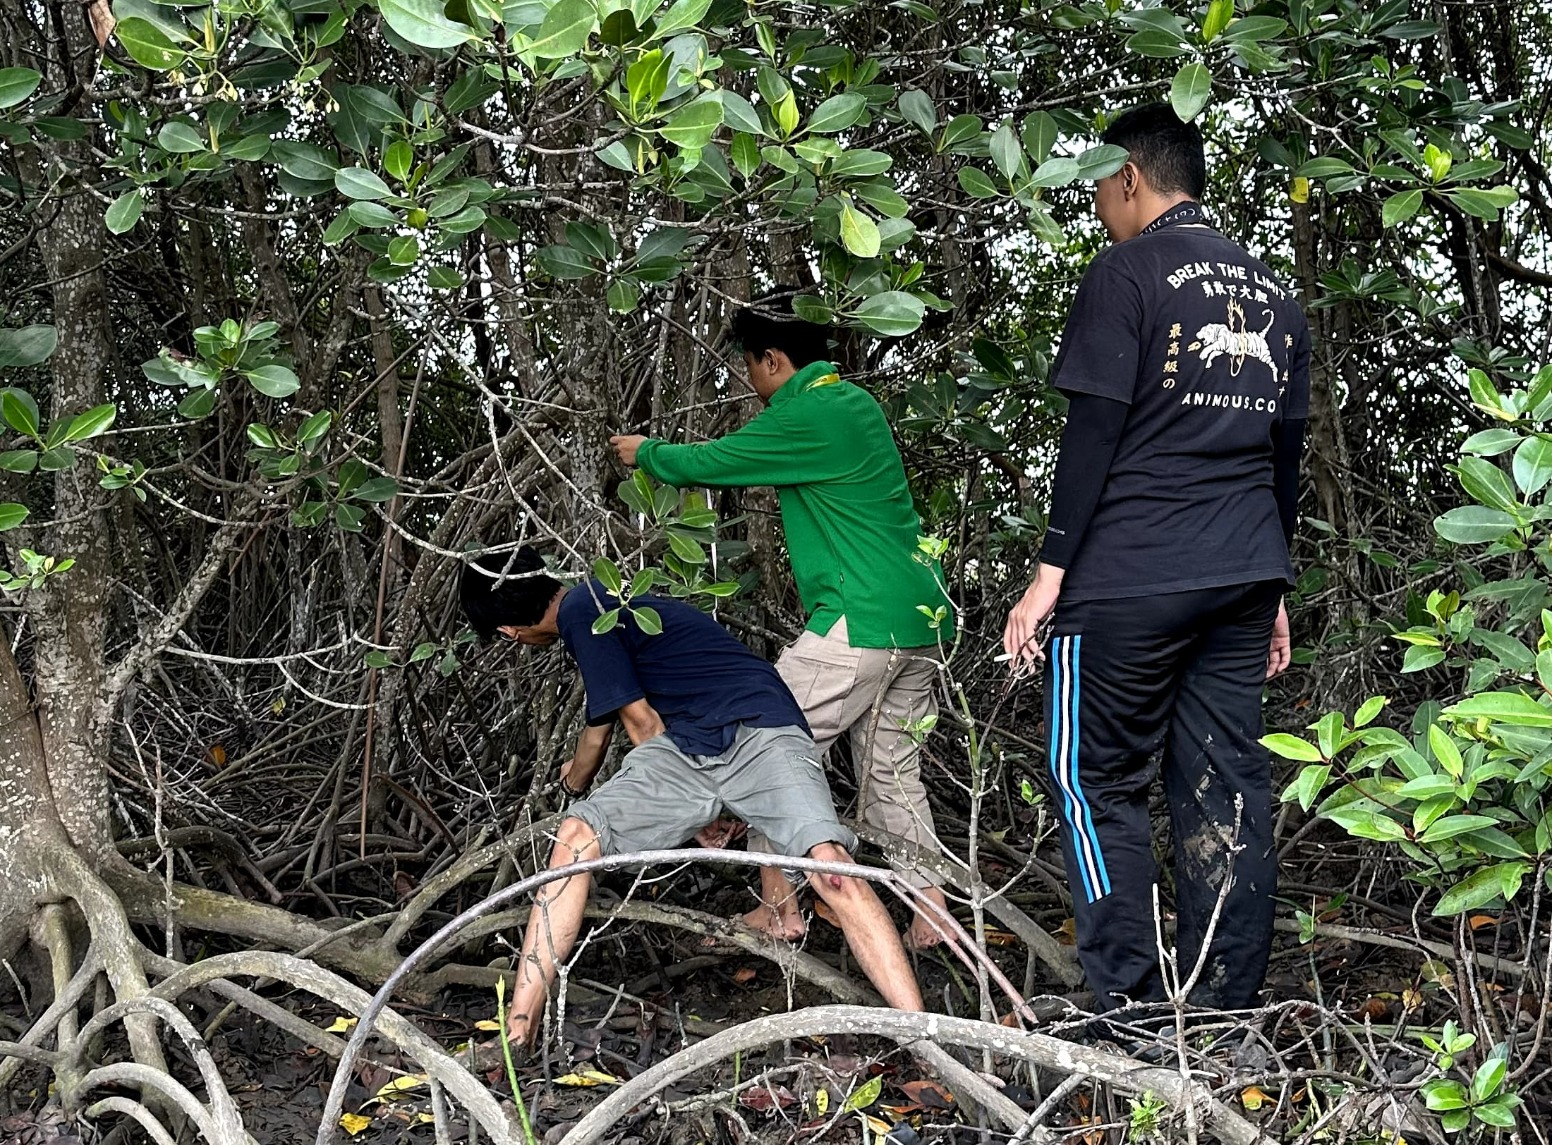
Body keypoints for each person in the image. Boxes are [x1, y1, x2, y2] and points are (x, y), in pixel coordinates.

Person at [1002, 103, 1309, 1012]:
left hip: (1132, 575)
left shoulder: (1125, 273)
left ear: (1130, 177)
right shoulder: (1274, 297)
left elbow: (1092, 431)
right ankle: (1224, 1012)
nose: (1100, 207)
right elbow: (1280, 458)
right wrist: (1276, 585)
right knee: (1227, 785)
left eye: (1100, 188)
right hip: (1243, 571)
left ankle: (1127, 1007)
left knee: (1089, 776)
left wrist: (1050, 572)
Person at [459, 546, 924, 1050]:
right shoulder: (602, 600)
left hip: (759, 730)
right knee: (576, 836)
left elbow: (641, 723)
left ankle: (926, 1038)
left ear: (509, 631)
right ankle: (520, 1026)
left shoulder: (583, 606)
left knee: (831, 867)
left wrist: (661, 797)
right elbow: (611, 726)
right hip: (695, 745)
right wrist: (686, 805)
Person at [609, 295, 957, 949]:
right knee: (890, 773)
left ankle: (781, 909)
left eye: (751, 367)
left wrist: (645, 452)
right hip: (921, 620)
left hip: (862, 620)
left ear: (774, 359)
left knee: (763, 742)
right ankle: (931, 911)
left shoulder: (810, 411)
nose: (751, 383)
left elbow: (713, 462)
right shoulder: (854, 404)